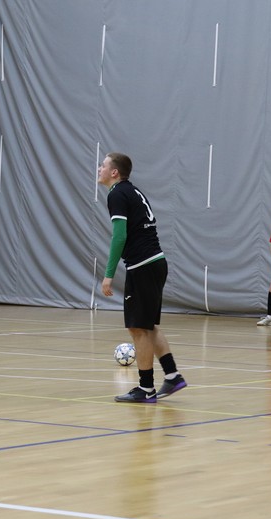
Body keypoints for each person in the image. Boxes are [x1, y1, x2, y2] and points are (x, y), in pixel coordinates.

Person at [97, 152, 186, 403]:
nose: (99, 169)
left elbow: (119, 236)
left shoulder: (117, 194)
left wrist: (108, 274)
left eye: (103, 165)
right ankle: (173, 376)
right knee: (146, 326)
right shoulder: (132, 191)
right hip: (155, 263)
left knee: (138, 328)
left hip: (143, 265)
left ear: (114, 172)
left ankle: (146, 389)